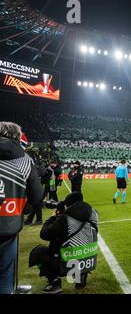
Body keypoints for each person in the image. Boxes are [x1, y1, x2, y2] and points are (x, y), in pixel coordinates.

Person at [0, 122, 43, 294]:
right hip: (9, 226)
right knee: (5, 275)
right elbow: (37, 195)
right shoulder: (25, 160)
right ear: (17, 137)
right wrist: (24, 209)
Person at [29, 192, 99, 294]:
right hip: (89, 260)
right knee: (79, 244)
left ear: (68, 205)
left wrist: (53, 218)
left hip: (69, 263)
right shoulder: (94, 213)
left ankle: (54, 283)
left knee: (38, 252)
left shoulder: (65, 219)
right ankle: (80, 277)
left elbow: (44, 234)